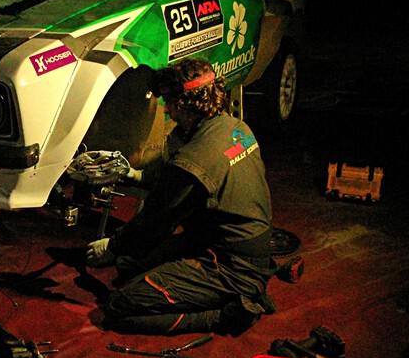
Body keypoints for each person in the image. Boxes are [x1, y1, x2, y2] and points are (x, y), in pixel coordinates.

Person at [86, 58, 277, 335]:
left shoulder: (195, 159)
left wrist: (112, 246)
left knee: (119, 306)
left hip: (231, 267)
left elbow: (154, 222)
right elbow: (180, 179)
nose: (169, 113)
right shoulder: (235, 128)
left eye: (169, 104)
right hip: (232, 245)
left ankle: (228, 315)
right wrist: (135, 175)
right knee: (130, 267)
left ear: (184, 104)